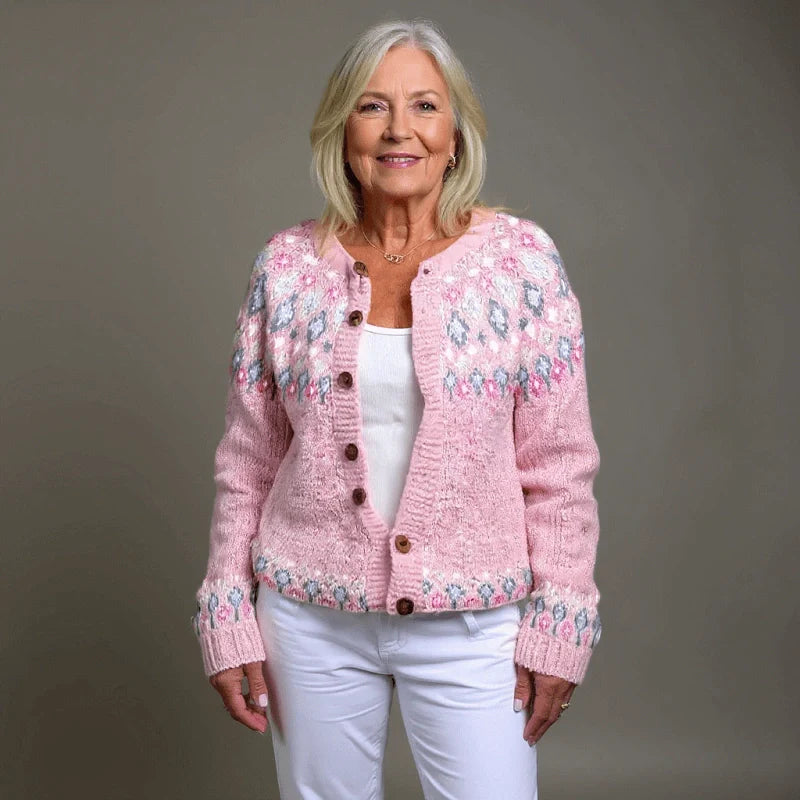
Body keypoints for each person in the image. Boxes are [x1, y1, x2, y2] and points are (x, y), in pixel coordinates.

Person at [191, 18, 603, 800]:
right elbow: (247, 459)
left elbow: (560, 462)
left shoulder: (520, 264)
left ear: (456, 134)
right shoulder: (287, 269)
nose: (398, 130)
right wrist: (227, 607)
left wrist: (562, 618)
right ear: (342, 129)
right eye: (373, 106)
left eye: (424, 106)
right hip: (307, 616)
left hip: (473, 620)